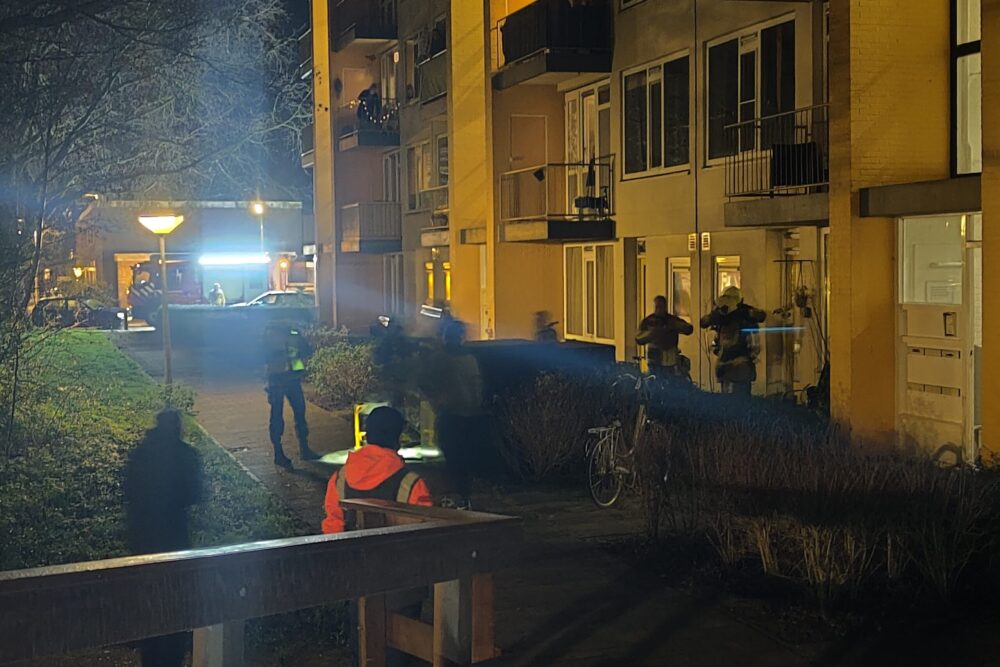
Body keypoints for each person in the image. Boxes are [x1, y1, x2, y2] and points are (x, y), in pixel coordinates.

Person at [124, 409, 203, 667]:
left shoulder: (140, 454)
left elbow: (128, 491)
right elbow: (195, 493)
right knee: (175, 609)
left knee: (150, 610)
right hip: (175, 540)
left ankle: (151, 656)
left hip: (143, 541)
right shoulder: (185, 455)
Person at [322, 406, 433, 533]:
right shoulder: (412, 484)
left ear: (367, 435)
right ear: (398, 439)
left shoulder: (339, 479)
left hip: (353, 551)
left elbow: (332, 528)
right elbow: (424, 534)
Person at [418, 319, 484, 507]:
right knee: (456, 460)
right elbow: (425, 383)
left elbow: (424, 383)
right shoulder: (451, 359)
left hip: (460, 414)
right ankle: (461, 497)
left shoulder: (454, 358)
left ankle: (461, 497)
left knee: (457, 460)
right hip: (456, 415)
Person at [264, 321, 320, 467]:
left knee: (293, 414)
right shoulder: (281, 335)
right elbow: (307, 350)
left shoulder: (280, 335)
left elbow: (306, 350)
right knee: (283, 416)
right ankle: (283, 452)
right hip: (282, 380)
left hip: (285, 379)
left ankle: (298, 449)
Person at [700, 286, 767, 396]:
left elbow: (761, 316)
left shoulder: (742, 315)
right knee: (734, 402)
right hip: (732, 366)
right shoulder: (723, 316)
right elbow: (704, 322)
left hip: (736, 366)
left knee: (735, 401)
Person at [636, 295, 693, 379]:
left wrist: (674, 326)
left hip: (670, 360)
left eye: (661, 306)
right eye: (657, 306)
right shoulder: (648, 321)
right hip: (654, 360)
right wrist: (651, 334)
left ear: (665, 307)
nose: (659, 309)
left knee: (669, 381)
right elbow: (638, 338)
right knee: (655, 382)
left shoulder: (672, 320)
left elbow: (688, 329)